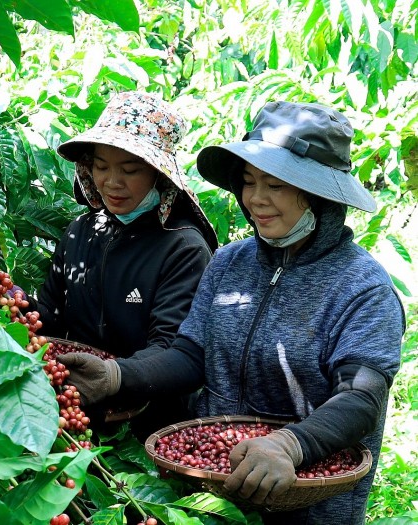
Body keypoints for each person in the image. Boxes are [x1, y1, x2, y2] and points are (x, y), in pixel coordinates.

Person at [64, 100, 404, 524]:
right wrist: (118, 376)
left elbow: (360, 396)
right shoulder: (230, 263)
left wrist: (291, 445)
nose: (257, 199)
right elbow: (191, 355)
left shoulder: (361, 287)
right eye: (249, 182)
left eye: (276, 186)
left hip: (309, 501)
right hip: (217, 489)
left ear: (320, 195)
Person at [31, 91, 218, 440]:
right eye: (101, 167)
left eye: (129, 170)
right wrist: (6, 301)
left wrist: (114, 375)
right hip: (75, 412)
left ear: (158, 175)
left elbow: (174, 350)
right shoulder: (81, 232)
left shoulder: (182, 248)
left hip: (152, 428)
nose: (112, 183)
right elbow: (48, 318)